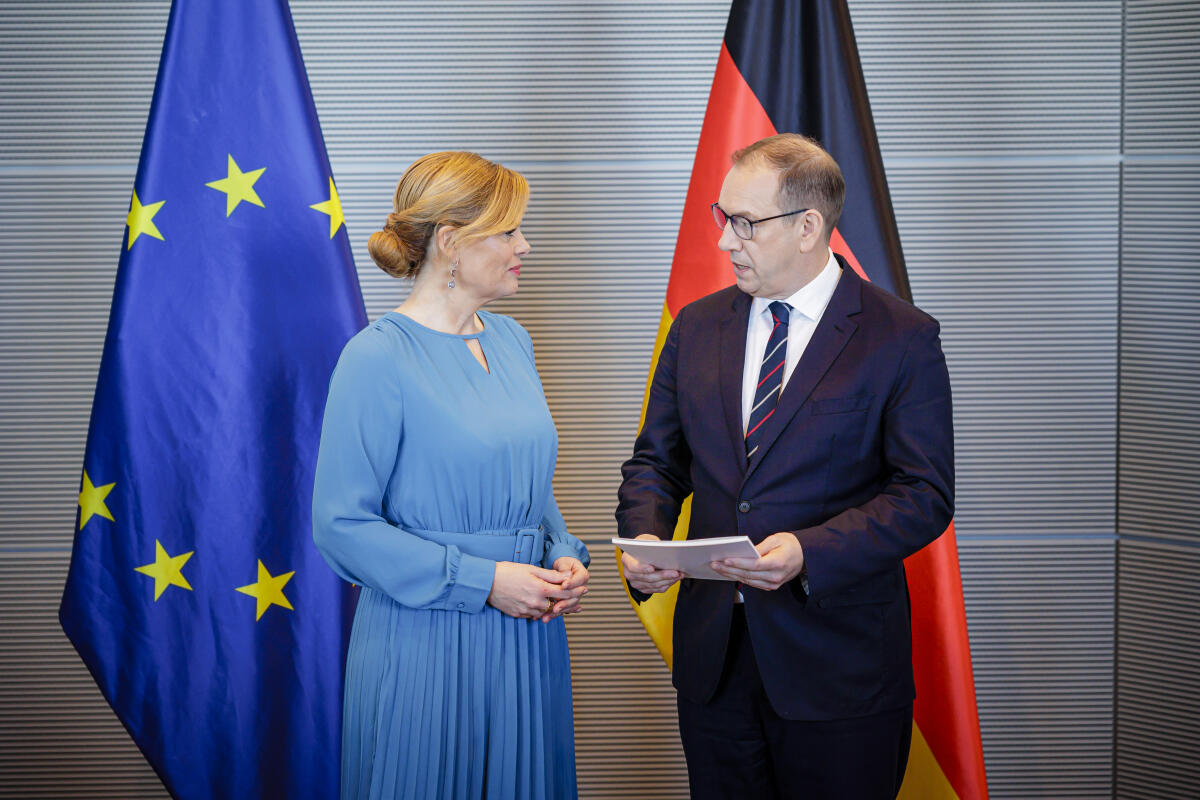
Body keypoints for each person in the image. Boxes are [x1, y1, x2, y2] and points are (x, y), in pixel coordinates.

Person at [616, 133, 954, 799]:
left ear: (808, 226)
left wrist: (807, 550)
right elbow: (657, 461)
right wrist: (647, 536)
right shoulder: (696, 325)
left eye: (744, 223)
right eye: (722, 218)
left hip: (839, 669)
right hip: (715, 664)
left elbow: (923, 494)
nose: (724, 241)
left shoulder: (901, 337)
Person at [312, 151, 590, 800]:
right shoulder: (376, 357)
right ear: (451, 244)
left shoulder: (512, 341)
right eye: (509, 230)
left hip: (528, 639)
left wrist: (565, 555)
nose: (526, 244)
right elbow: (341, 525)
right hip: (426, 642)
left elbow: (526, 486)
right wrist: (486, 581)